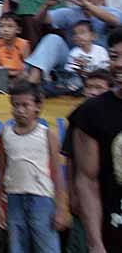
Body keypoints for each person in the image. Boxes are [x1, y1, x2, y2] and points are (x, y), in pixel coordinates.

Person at [0, 81, 66, 253]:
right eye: (16, 105)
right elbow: (2, 170)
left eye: (25, 105)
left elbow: (57, 173)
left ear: (37, 107)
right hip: (14, 199)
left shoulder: (47, 134)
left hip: (41, 199)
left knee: (47, 247)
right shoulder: (6, 133)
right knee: (17, 247)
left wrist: (61, 209)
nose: (20, 110)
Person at [71, 26, 122, 252]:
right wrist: (95, 242)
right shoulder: (92, 112)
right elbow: (86, 180)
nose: (119, 64)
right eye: (114, 57)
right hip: (112, 231)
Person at [26, 0, 122, 84]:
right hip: (73, 65)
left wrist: (86, 4)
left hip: (102, 66)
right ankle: (30, 85)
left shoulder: (111, 12)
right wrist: (46, 5)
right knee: (52, 39)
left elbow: (115, 21)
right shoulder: (70, 12)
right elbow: (39, 20)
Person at [62, 69, 113, 253]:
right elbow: (70, 160)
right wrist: (73, 194)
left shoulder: (112, 115)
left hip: (110, 194)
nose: (92, 91)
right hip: (86, 196)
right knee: (81, 243)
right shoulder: (80, 118)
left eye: (98, 87)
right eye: (89, 86)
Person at [0, 12, 30, 78]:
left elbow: (27, 68)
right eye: (1, 26)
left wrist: (13, 73)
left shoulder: (24, 44)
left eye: (10, 26)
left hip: (18, 75)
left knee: (25, 75)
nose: (5, 30)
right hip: (2, 75)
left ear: (18, 30)